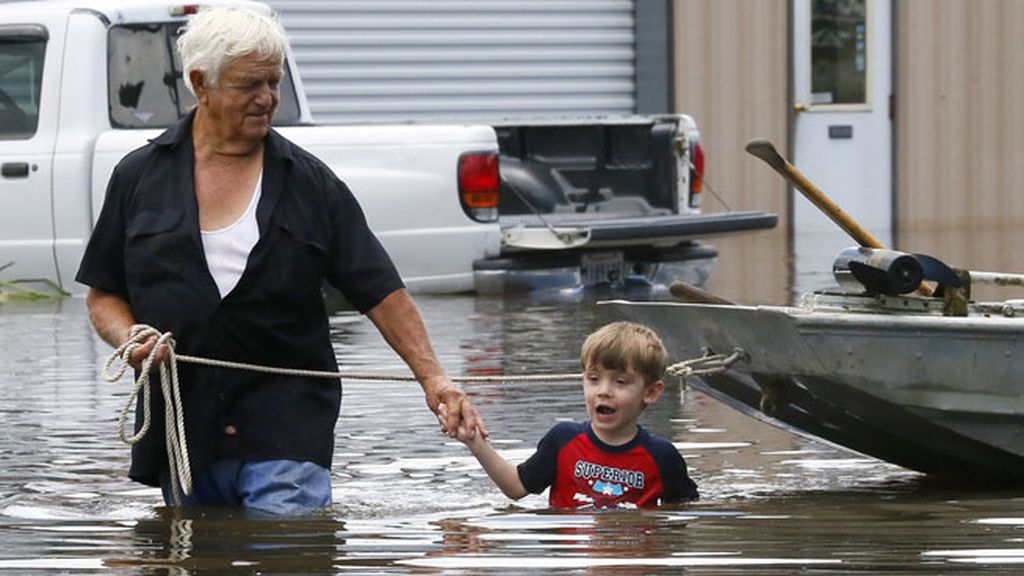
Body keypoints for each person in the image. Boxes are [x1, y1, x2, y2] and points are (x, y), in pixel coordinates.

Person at [76, 6, 484, 515]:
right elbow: (103, 294)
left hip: (288, 421)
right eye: (251, 85)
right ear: (201, 83)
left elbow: (380, 291)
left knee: (289, 547)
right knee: (198, 555)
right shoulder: (137, 177)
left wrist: (435, 379)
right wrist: (130, 339)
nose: (268, 98)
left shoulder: (311, 184)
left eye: (274, 81)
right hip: (185, 424)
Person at [449, 321, 698, 509]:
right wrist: (474, 441)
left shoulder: (662, 456)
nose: (604, 391)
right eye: (593, 379)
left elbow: (683, 511)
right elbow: (515, 487)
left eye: (620, 382)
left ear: (651, 392)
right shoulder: (563, 440)